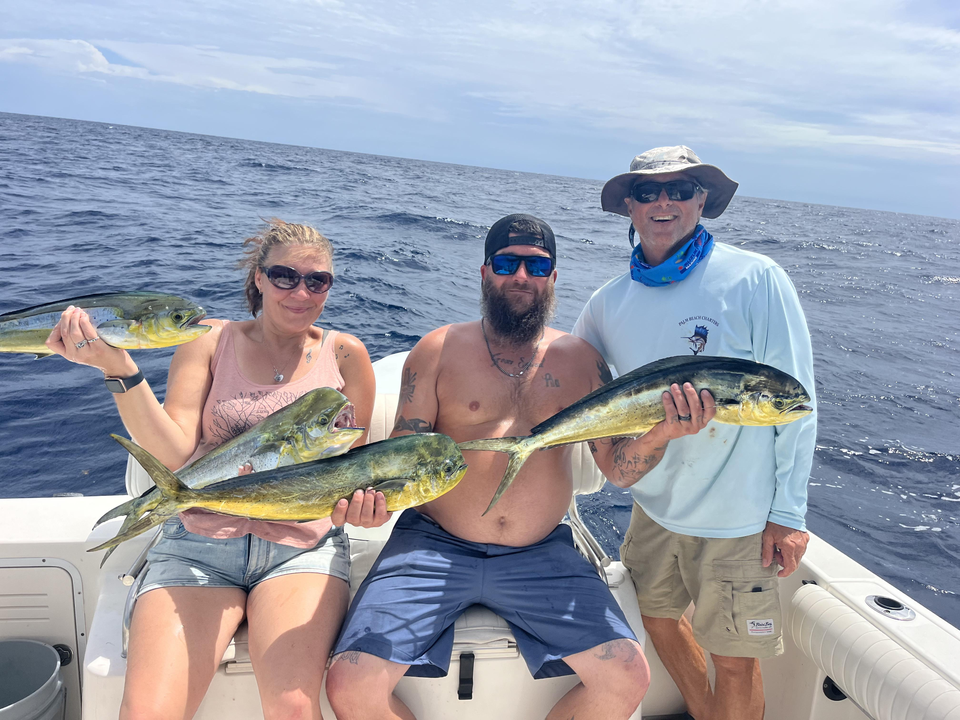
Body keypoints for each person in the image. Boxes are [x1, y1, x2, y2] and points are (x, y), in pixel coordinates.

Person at [45, 219, 387, 720]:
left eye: (318, 280)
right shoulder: (207, 340)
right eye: (285, 276)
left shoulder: (345, 353)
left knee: (293, 708)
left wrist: (369, 507)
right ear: (259, 279)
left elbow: (359, 466)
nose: (301, 291)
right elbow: (175, 452)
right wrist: (118, 368)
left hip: (302, 546)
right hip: (199, 540)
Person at [325, 214, 650, 720]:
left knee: (628, 675)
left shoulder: (583, 361)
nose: (521, 276)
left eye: (537, 265)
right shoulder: (436, 350)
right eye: (507, 262)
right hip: (434, 543)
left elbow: (620, 471)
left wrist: (669, 429)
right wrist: (370, 501)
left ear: (553, 278)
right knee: (350, 684)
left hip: (540, 552)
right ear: (484, 273)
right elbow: (401, 454)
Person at [572, 146, 817, 720]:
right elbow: (566, 372)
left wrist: (790, 513)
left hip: (739, 519)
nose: (664, 202)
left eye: (680, 190)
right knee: (657, 621)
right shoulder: (609, 301)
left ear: (702, 200)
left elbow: (796, 402)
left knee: (734, 659)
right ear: (628, 206)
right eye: (648, 192)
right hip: (654, 508)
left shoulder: (756, 278)